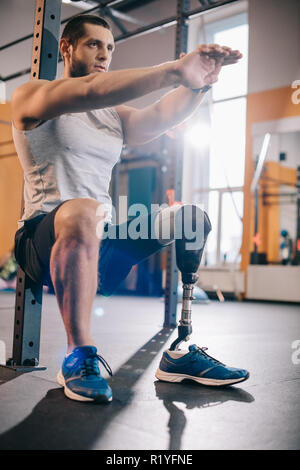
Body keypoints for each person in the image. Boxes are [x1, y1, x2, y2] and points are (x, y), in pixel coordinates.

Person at [11, 14, 248, 403]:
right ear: (67, 47)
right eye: (94, 44)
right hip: (43, 240)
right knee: (84, 210)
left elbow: (157, 117)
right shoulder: (32, 95)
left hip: (100, 239)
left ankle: (181, 347)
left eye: (110, 47)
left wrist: (198, 85)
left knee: (190, 218)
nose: (104, 53)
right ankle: (79, 355)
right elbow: (89, 90)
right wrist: (173, 70)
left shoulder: (111, 117)